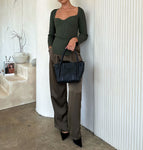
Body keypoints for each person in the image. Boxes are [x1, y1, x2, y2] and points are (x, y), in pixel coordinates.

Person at [48, 0, 88, 147]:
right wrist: (50, 49)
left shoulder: (79, 11)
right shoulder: (54, 13)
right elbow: (50, 34)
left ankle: (75, 132)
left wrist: (75, 38)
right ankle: (63, 127)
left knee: (75, 94)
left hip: (72, 56)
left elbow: (84, 34)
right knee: (57, 92)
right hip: (55, 57)